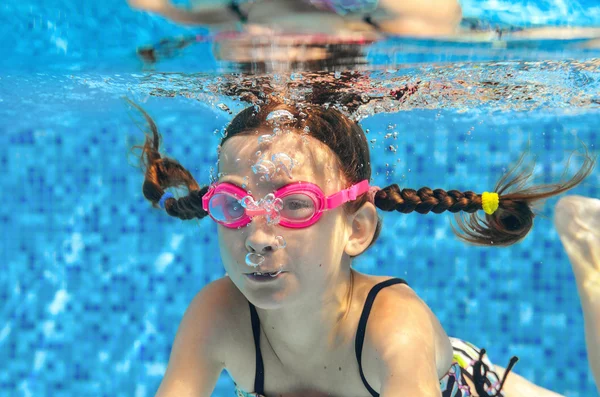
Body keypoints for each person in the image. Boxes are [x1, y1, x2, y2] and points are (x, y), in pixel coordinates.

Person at [130, 98, 596, 396]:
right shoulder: (218, 315)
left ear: (357, 228)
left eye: (294, 205)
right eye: (233, 204)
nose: (257, 238)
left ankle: (589, 255)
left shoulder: (393, 328)